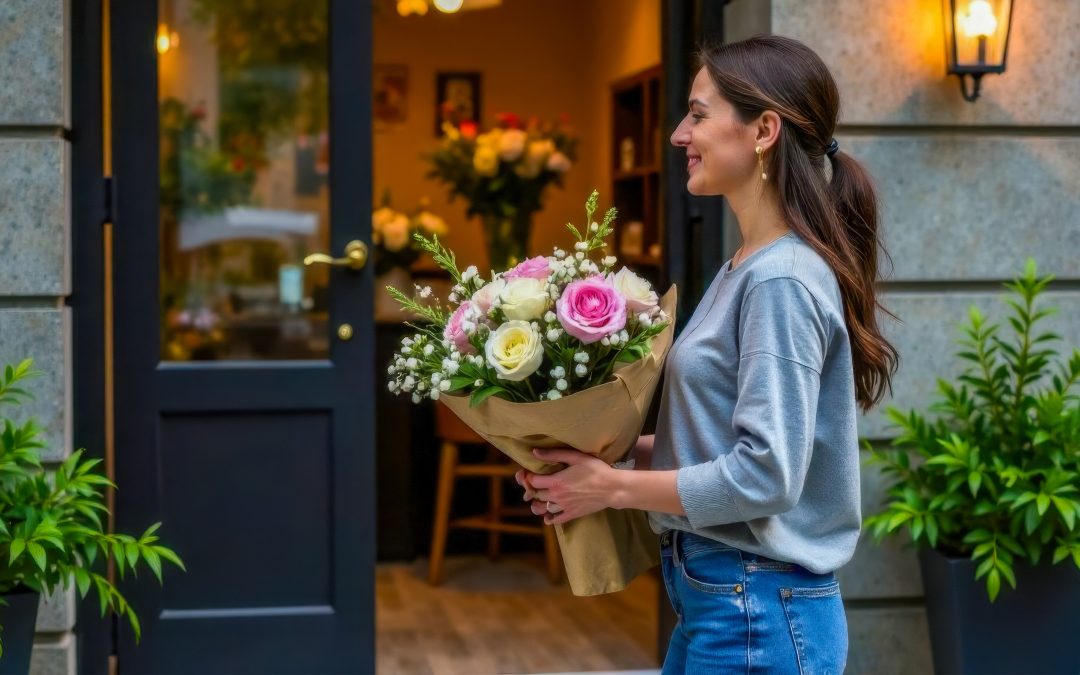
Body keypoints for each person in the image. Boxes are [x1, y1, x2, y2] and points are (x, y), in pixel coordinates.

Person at [515, 35, 899, 674]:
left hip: (756, 606)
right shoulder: (745, 267)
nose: (676, 135)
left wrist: (612, 488)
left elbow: (767, 475)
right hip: (726, 600)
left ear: (764, 130)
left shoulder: (780, 279)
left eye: (697, 114)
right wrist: (590, 457)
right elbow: (721, 444)